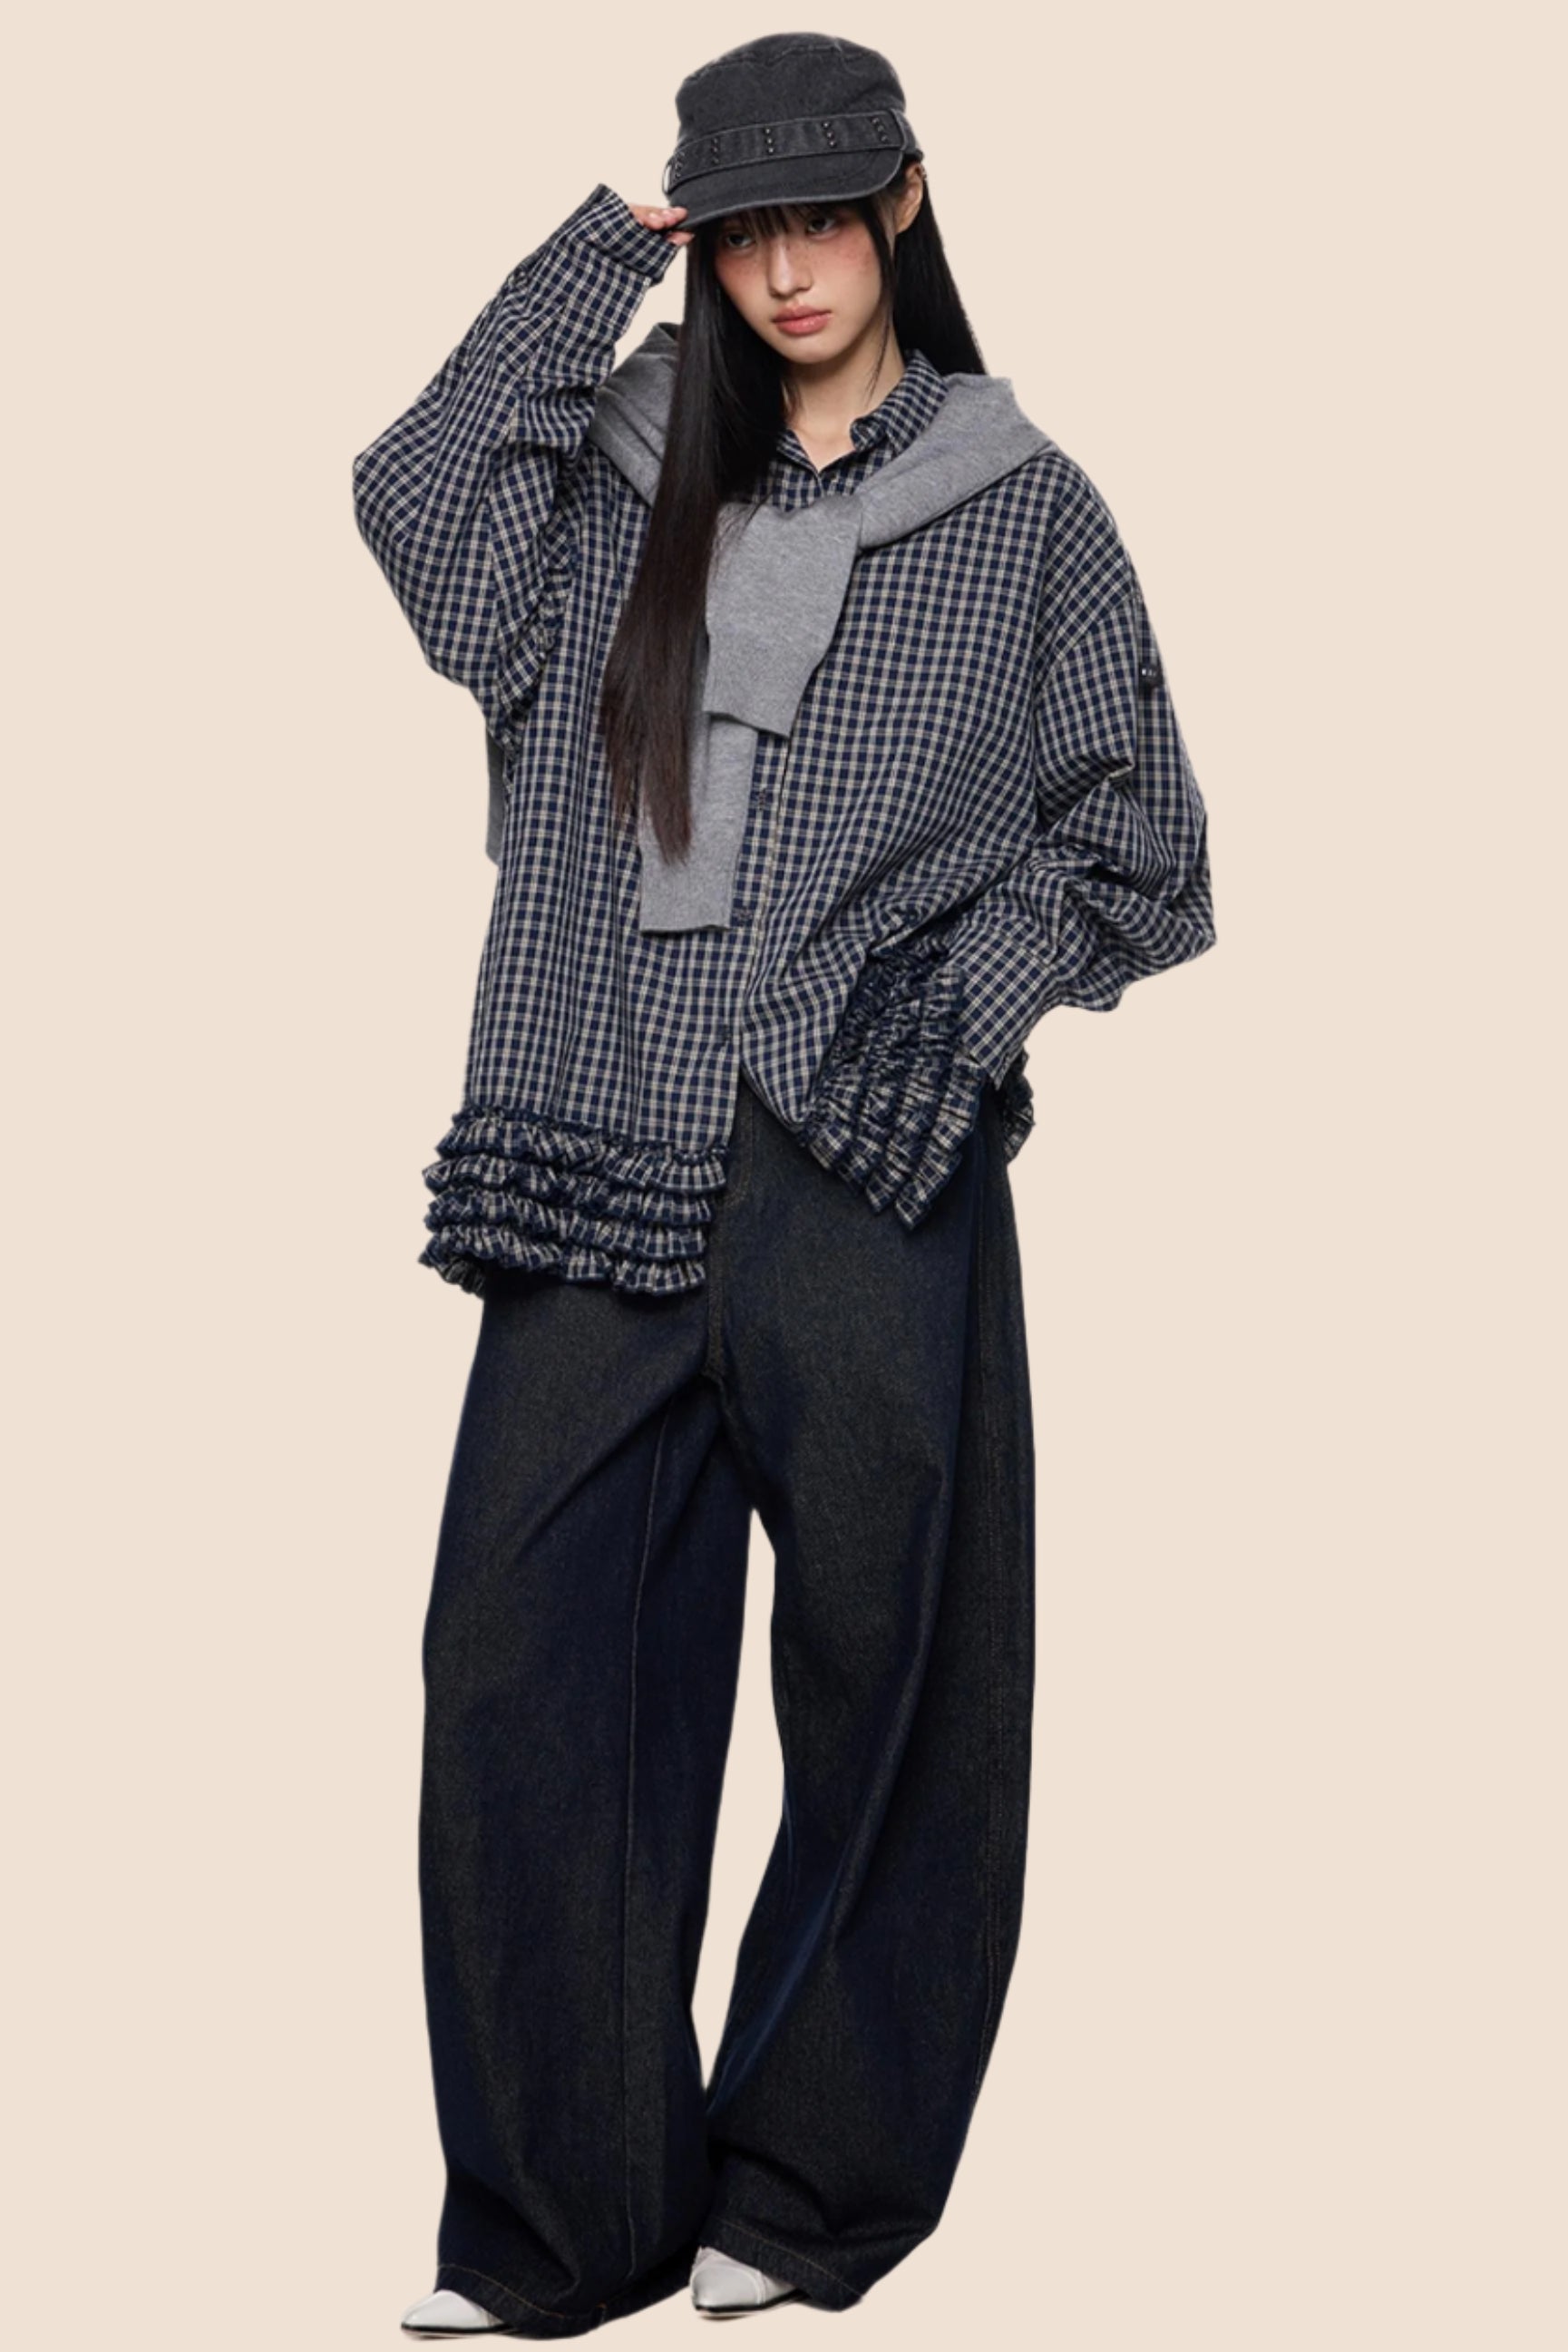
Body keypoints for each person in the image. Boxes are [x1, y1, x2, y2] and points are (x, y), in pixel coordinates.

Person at [351, 29, 1214, 2340]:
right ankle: (566, 2219)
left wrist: (951, 1009)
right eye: (744, 231)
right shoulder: (605, 482)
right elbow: (412, 498)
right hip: (595, 1130)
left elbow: (1143, 845)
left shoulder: (1025, 510)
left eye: (827, 216)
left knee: (893, 1682)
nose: (790, 269)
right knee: (517, 1671)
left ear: (906, 205)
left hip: (863, 1167)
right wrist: (592, 263)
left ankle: (811, 2191)